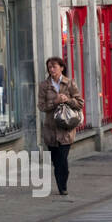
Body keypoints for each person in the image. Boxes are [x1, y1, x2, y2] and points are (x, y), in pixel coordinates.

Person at [38, 56, 84, 196]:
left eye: (54, 67)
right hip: (51, 129)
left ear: (61, 68)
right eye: (49, 67)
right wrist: (55, 102)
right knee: (56, 160)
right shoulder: (44, 86)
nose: (52, 70)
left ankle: (62, 185)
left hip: (66, 128)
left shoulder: (69, 83)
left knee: (63, 159)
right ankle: (60, 182)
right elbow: (41, 106)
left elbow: (80, 103)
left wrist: (68, 100)